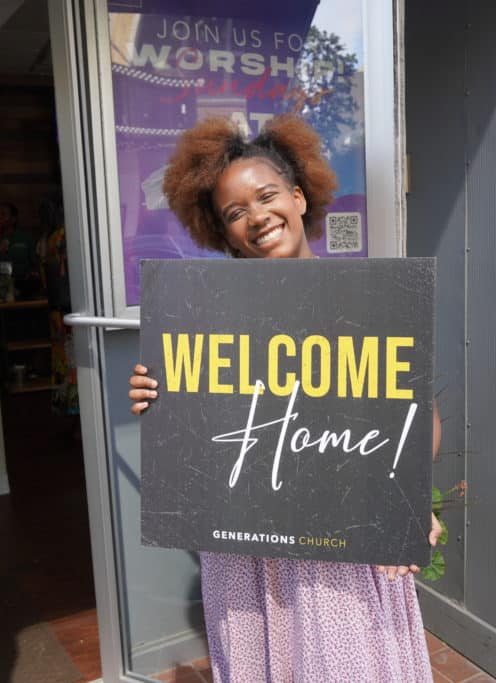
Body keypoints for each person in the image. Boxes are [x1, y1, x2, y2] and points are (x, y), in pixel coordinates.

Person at [127, 116, 440, 682]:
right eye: (234, 213)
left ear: (298, 198)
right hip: (245, 551)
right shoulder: (205, 320)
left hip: (339, 546)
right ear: (222, 233)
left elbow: (419, 419)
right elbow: (194, 431)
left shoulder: (364, 302)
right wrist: (157, 398)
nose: (256, 217)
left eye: (266, 195)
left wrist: (408, 503)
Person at [38, 193, 79, 421]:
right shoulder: (65, 236)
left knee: (62, 361)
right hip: (69, 307)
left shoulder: (45, 239)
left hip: (54, 309)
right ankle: (78, 416)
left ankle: (65, 410)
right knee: (74, 362)